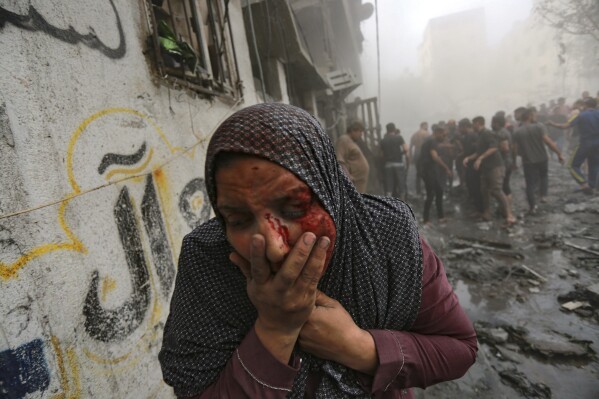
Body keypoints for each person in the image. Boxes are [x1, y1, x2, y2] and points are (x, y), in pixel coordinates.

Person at [158, 103, 477, 398]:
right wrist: (275, 329)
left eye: (295, 207)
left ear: (329, 191)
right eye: (239, 219)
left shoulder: (387, 235)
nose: (275, 246)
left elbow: (458, 348)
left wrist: (358, 347)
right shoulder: (209, 259)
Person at [462, 116, 516, 226]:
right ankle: (487, 213)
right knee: (484, 190)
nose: (472, 126)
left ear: (478, 123)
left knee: (496, 190)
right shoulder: (480, 135)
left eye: (473, 124)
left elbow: (494, 147)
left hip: (495, 166)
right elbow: (479, 152)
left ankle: (509, 215)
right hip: (486, 168)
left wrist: (480, 159)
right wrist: (469, 158)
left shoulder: (487, 133)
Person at [513, 107, 564, 214]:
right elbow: (548, 142)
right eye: (534, 115)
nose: (536, 117)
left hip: (528, 161)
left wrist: (517, 159)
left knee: (530, 184)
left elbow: (515, 151)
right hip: (542, 158)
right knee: (544, 176)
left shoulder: (517, 132)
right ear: (530, 116)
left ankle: (532, 207)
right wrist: (559, 153)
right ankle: (543, 195)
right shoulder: (539, 127)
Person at [548, 97, 599, 194]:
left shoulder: (580, 115)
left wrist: (552, 124)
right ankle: (593, 186)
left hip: (585, 143)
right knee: (594, 165)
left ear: (585, 105)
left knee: (572, 165)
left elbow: (565, 126)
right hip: (597, 143)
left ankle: (584, 184)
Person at [419, 124, 453, 226]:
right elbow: (434, 157)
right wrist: (446, 168)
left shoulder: (430, 141)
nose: (444, 137)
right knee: (431, 194)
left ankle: (441, 216)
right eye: (443, 135)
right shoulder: (432, 141)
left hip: (430, 171)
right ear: (437, 133)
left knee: (439, 191)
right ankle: (426, 219)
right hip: (428, 171)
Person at [335, 121, 370, 193]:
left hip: (359, 182)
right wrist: (348, 176)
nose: (361, 135)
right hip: (353, 181)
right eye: (360, 132)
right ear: (353, 130)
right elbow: (340, 160)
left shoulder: (351, 141)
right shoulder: (344, 140)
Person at [380, 122, 410, 200]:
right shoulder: (399, 138)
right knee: (401, 185)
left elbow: (381, 155)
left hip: (388, 165)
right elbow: (406, 149)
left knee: (389, 186)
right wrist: (400, 153)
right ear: (394, 129)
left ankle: (389, 203)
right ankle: (403, 203)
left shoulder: (383, 140)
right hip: (398, 164)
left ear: (387, 130)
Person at [409, 122, 430, 196]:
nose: (427, 127)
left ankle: (418, 191)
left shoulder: (414, 134)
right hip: (425, 154)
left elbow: (410, 147)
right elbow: (430, 146)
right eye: (427, 126)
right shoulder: (427, 134)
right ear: (424, 126)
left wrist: (410, 158)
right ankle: (428, 189)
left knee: (418, 173)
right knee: (427, 172)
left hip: (416, 154)